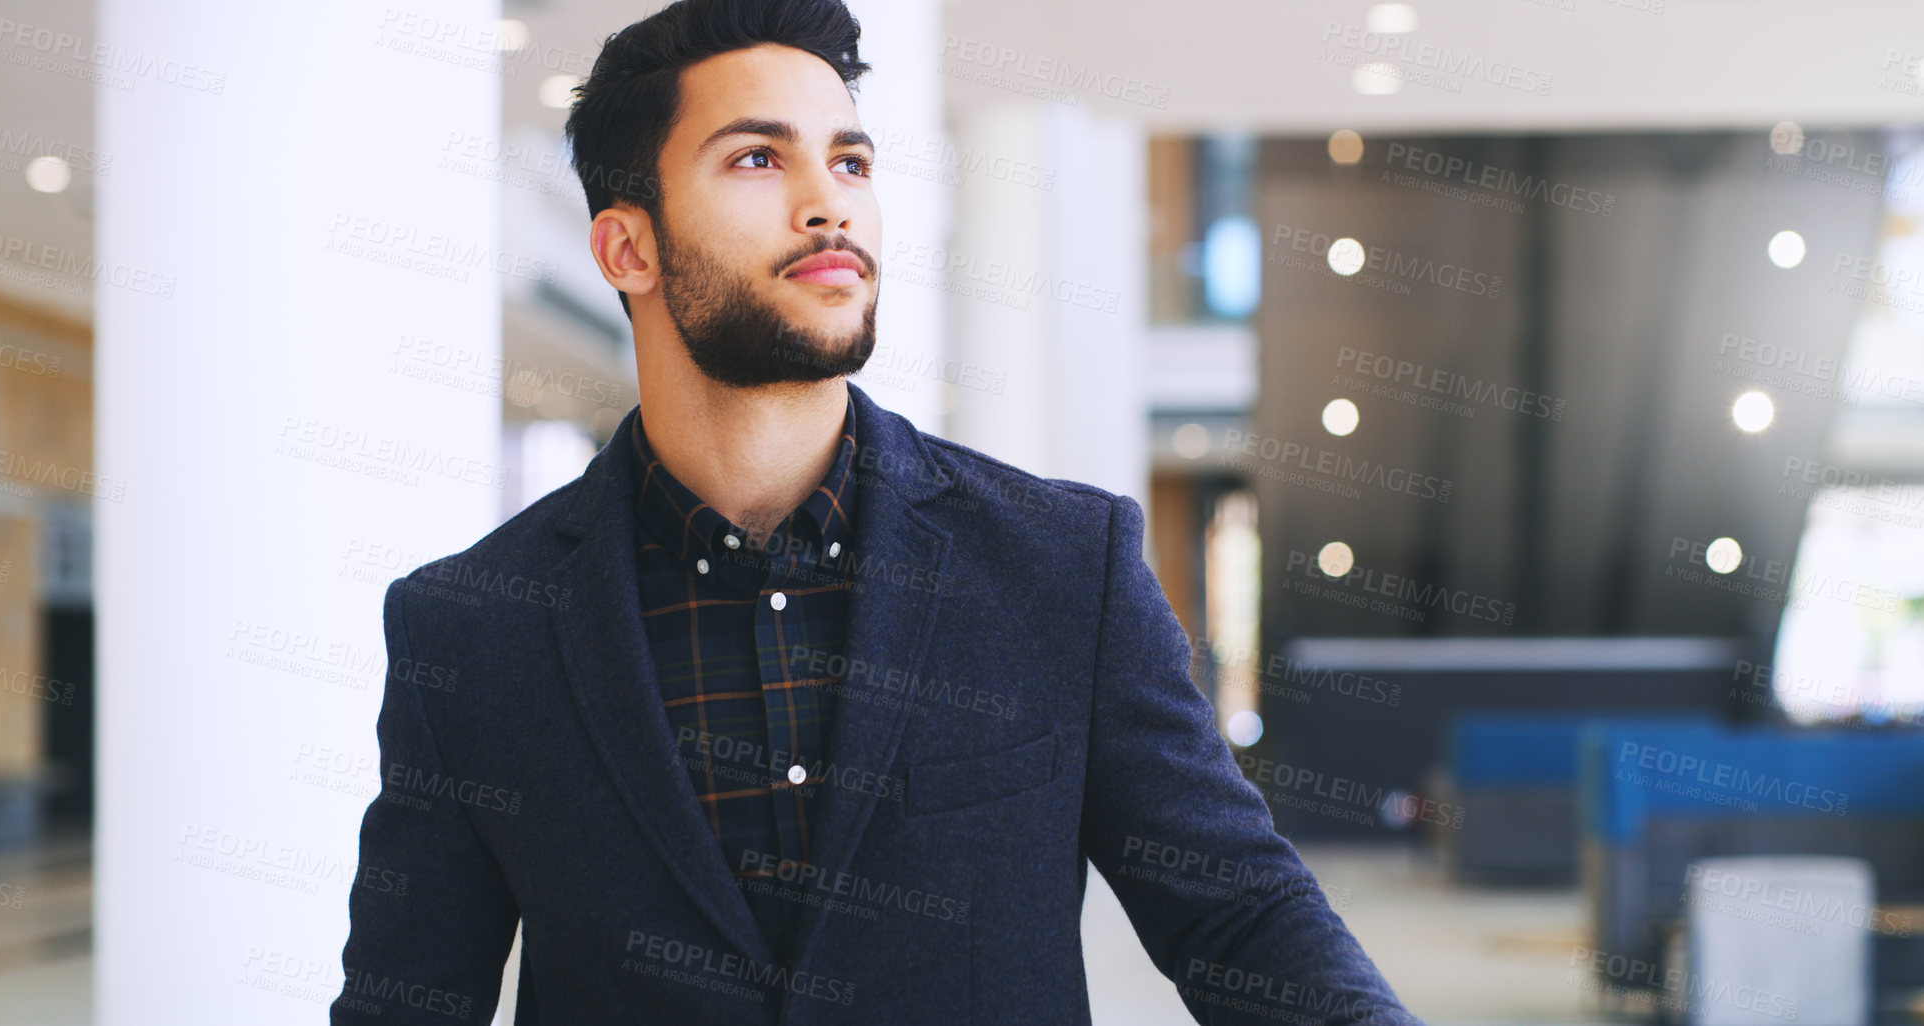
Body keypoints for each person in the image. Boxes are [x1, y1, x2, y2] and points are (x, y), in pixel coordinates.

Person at [334, 1, 1421, 1023]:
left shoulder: (1059, 567)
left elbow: (1240, 912)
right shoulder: (471, 629)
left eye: (849, 159)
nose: (830, 200)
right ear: (630, 249)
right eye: (758, 158)